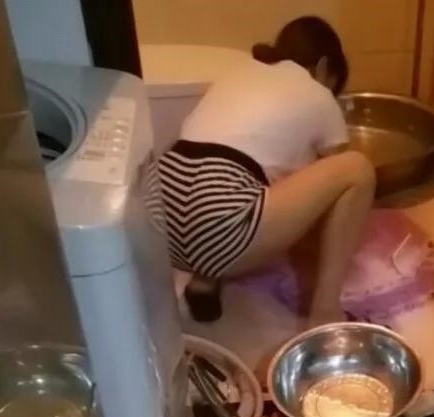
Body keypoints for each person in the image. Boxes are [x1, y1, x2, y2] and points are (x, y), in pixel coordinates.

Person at [156, 16, 375, 328]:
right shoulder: (318, 93)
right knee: (358, 169)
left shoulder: (239, 74)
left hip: (162, 217)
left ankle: (203, 283)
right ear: (324, 66)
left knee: (228, 180)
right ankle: (325, 312)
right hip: (220, 227)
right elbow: (337, 182)